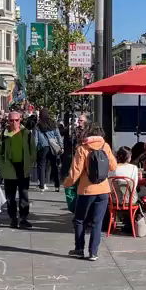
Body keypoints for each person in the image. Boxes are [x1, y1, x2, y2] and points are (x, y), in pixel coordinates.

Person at [63, 124, 118, 260]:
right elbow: (113, 166)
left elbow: (75, 172)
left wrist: (67, 184)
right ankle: (93, 252)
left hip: (86, 191)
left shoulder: (82, 149)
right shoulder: (105, 146)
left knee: (79, 220)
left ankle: (79, 249)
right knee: (97, 222)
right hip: (104, 190)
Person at [0, 111, 37, 229]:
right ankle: (13, 218)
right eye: (11, 120)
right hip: (9, 167)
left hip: (23, 167)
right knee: (10, 196)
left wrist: (30, 163)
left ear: (20, 120)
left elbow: (33, 149)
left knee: (24, 194)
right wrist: (2, 165)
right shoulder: (3, 135)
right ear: (8, 121)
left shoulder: (26, 133)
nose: (14, 122)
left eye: (16, 120)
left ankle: (23, 218)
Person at [36, 108, 62, 192]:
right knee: (54, 166)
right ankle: (57, 185)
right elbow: (58, 136)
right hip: (52, 147)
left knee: (42, 166)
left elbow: (36, 138)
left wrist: (35, 148)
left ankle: (42, 185)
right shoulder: (53, 124)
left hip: (43, 147)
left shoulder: (38, 125)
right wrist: (61, 146)